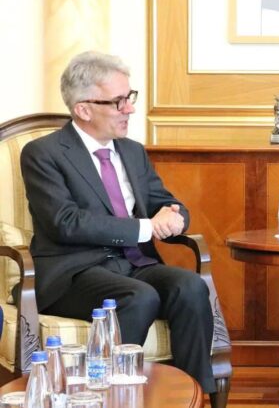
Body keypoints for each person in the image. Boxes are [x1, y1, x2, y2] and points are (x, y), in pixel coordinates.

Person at [20, 52, 216, 395]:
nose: (130, 108)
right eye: (118, 101)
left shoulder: (132, 151)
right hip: (75, 273)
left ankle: (193, 395)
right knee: (138, 297)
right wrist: (146, 227)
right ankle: (108, 396)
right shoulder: (43, 153)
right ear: (84, 109)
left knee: (190, 287)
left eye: (130, 97)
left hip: (135, 263)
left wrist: (175, 217)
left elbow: (162, 201)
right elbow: (65, 222)